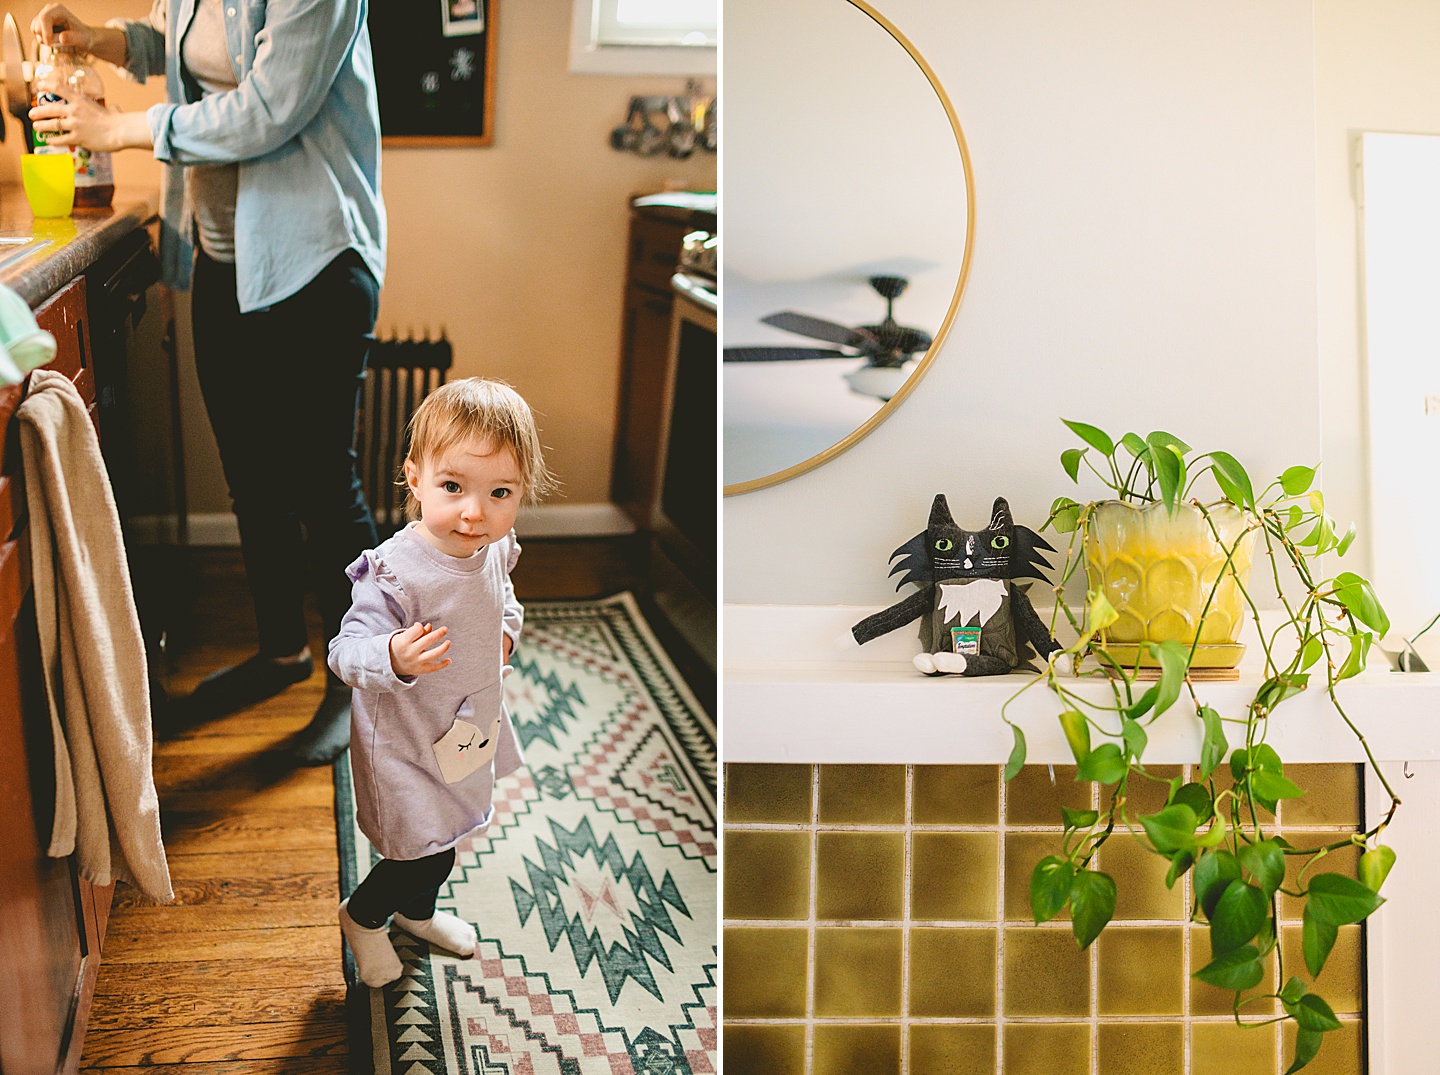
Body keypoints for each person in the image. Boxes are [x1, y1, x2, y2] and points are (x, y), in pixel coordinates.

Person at [31, 1, 387, 765]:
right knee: (251, 473)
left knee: (324, 482)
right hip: (227, 255)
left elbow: (269, 107)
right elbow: (188, 43)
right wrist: (108, 41)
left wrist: (121, 129)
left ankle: (360, 684)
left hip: (317, 259)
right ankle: (282, 649)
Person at [328, 378, 553, 986]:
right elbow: (344, 653)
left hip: (463, 727)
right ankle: (365, 916)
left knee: (447, 835)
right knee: (418, 849)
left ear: (520, 493)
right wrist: (394, 654)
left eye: (499, 492)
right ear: (415, 477)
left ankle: (415, 916)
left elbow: (503, 598)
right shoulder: (394, 573)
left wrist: (507, 630)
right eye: (453, 487)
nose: (474, 512)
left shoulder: (494, 547)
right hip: (402, 742)